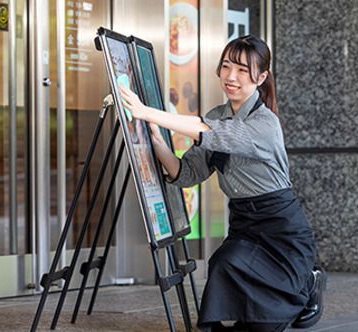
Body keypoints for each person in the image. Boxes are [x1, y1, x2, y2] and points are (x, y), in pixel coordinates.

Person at [120, 35, 326, 332]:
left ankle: (310, 280)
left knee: (267, 324)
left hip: (282, 228)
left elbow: (209, 132)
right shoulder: (217, 116)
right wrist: (156, 143)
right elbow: (188, 173)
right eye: (227, 66)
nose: (231, 77)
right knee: (224, 265)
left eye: (243, 70)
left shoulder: (265, 124)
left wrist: (146, 111)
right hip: (245, 222)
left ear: (261, 77)